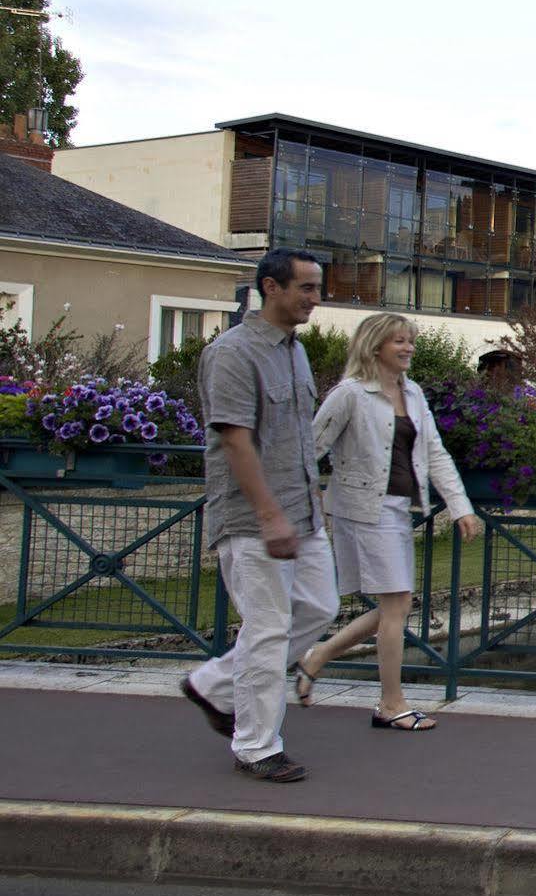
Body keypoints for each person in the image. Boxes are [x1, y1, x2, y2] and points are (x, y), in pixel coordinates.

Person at [179, 250, 339, 783]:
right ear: (271, 287)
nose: (316, 299)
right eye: (307, 289)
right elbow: (236, 442)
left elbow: (296, 438)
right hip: (254, 517)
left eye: (318, 289)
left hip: (301, 511)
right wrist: (270, 515)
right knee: (268, 629)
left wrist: (309, 506)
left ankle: (215, 685)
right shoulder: (233, 353)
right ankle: (256, 746)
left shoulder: (294, 352)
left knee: (320, 606)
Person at [298, 314, 479, 731]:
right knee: (396, 606)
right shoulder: (350, 394)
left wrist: (460, 506)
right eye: (399, 341)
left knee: (396, 607)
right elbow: (311, 446)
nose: (408, 348)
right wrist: (306, 497)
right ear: (374, 345)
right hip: (363, 509)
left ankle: (319, 657)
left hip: (400, 509)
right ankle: (391, 704)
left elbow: (435, 452)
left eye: (410, 341)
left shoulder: (412, 393)